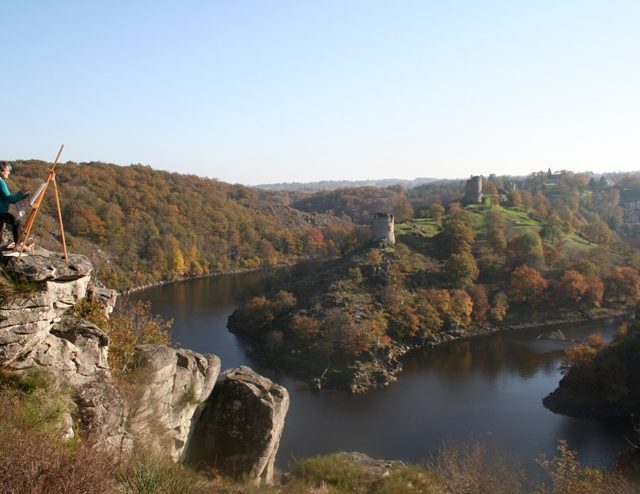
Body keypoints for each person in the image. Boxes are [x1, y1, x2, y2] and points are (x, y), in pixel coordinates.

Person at [0, 162, 31, 250]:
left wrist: (20, 197)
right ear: (1, 171)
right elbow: (9, 198)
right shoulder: (1, 182)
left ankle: (19, 243)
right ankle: (19, 244)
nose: (9, 172)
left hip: (2, 211)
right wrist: (20, 194)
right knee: (15, 222)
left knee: (15, 222)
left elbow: (8, 198)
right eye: (7, 170)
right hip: (1, 211)